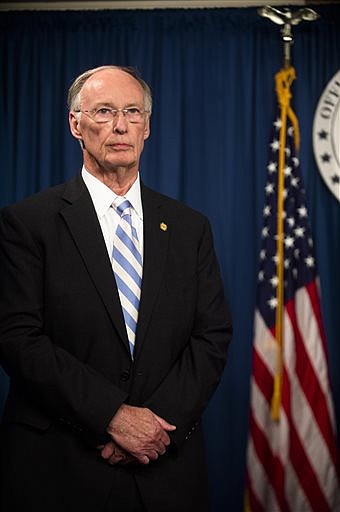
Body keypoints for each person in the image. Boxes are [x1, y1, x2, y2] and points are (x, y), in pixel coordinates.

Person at [0, 65, 232, 512]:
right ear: (76, 123)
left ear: (147, 127)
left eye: (132, 112)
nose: (121, 125)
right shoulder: (27, 223)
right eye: (104, 111)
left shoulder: (189, 227)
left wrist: (152, 428)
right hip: (58, 469)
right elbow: (17, 339)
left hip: (166, 470)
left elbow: (212, 336)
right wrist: (112, 416)